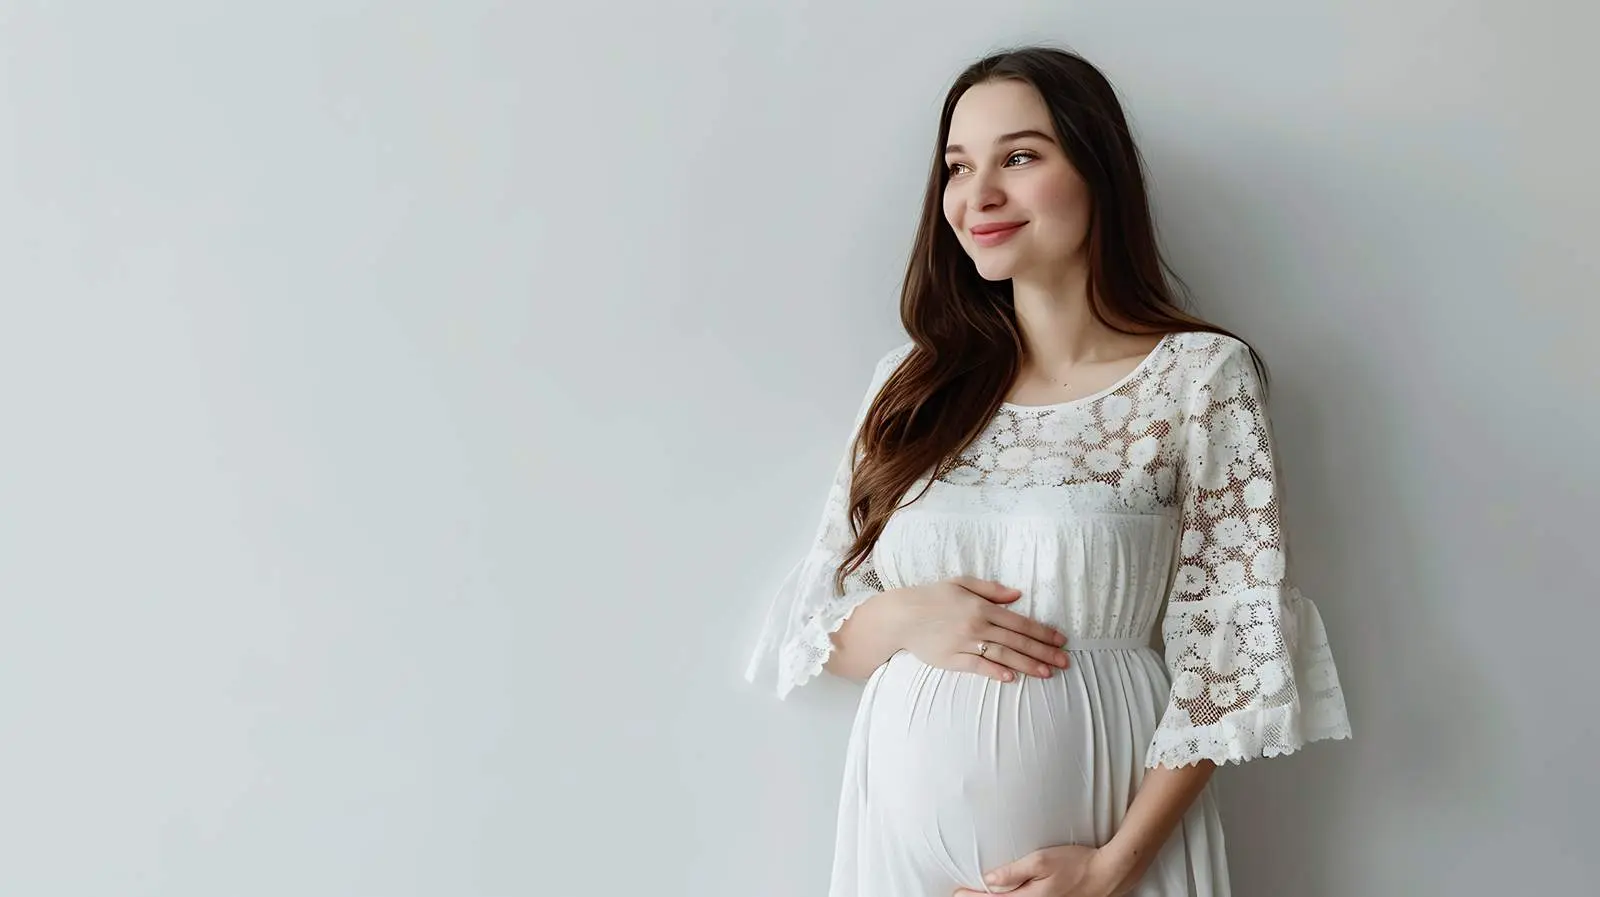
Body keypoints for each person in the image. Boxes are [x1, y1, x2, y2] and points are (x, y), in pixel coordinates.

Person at [743, 45, 1352, 897]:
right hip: (897, 859)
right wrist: (911, 616)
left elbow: (1230, 657)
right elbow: (819, 627)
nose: (978, 195)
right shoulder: (908, 386)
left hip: (1103, 863)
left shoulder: (1199, 378)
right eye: (959, 167)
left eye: (1019, 157)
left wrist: (1112, 868)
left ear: (1097, 170)